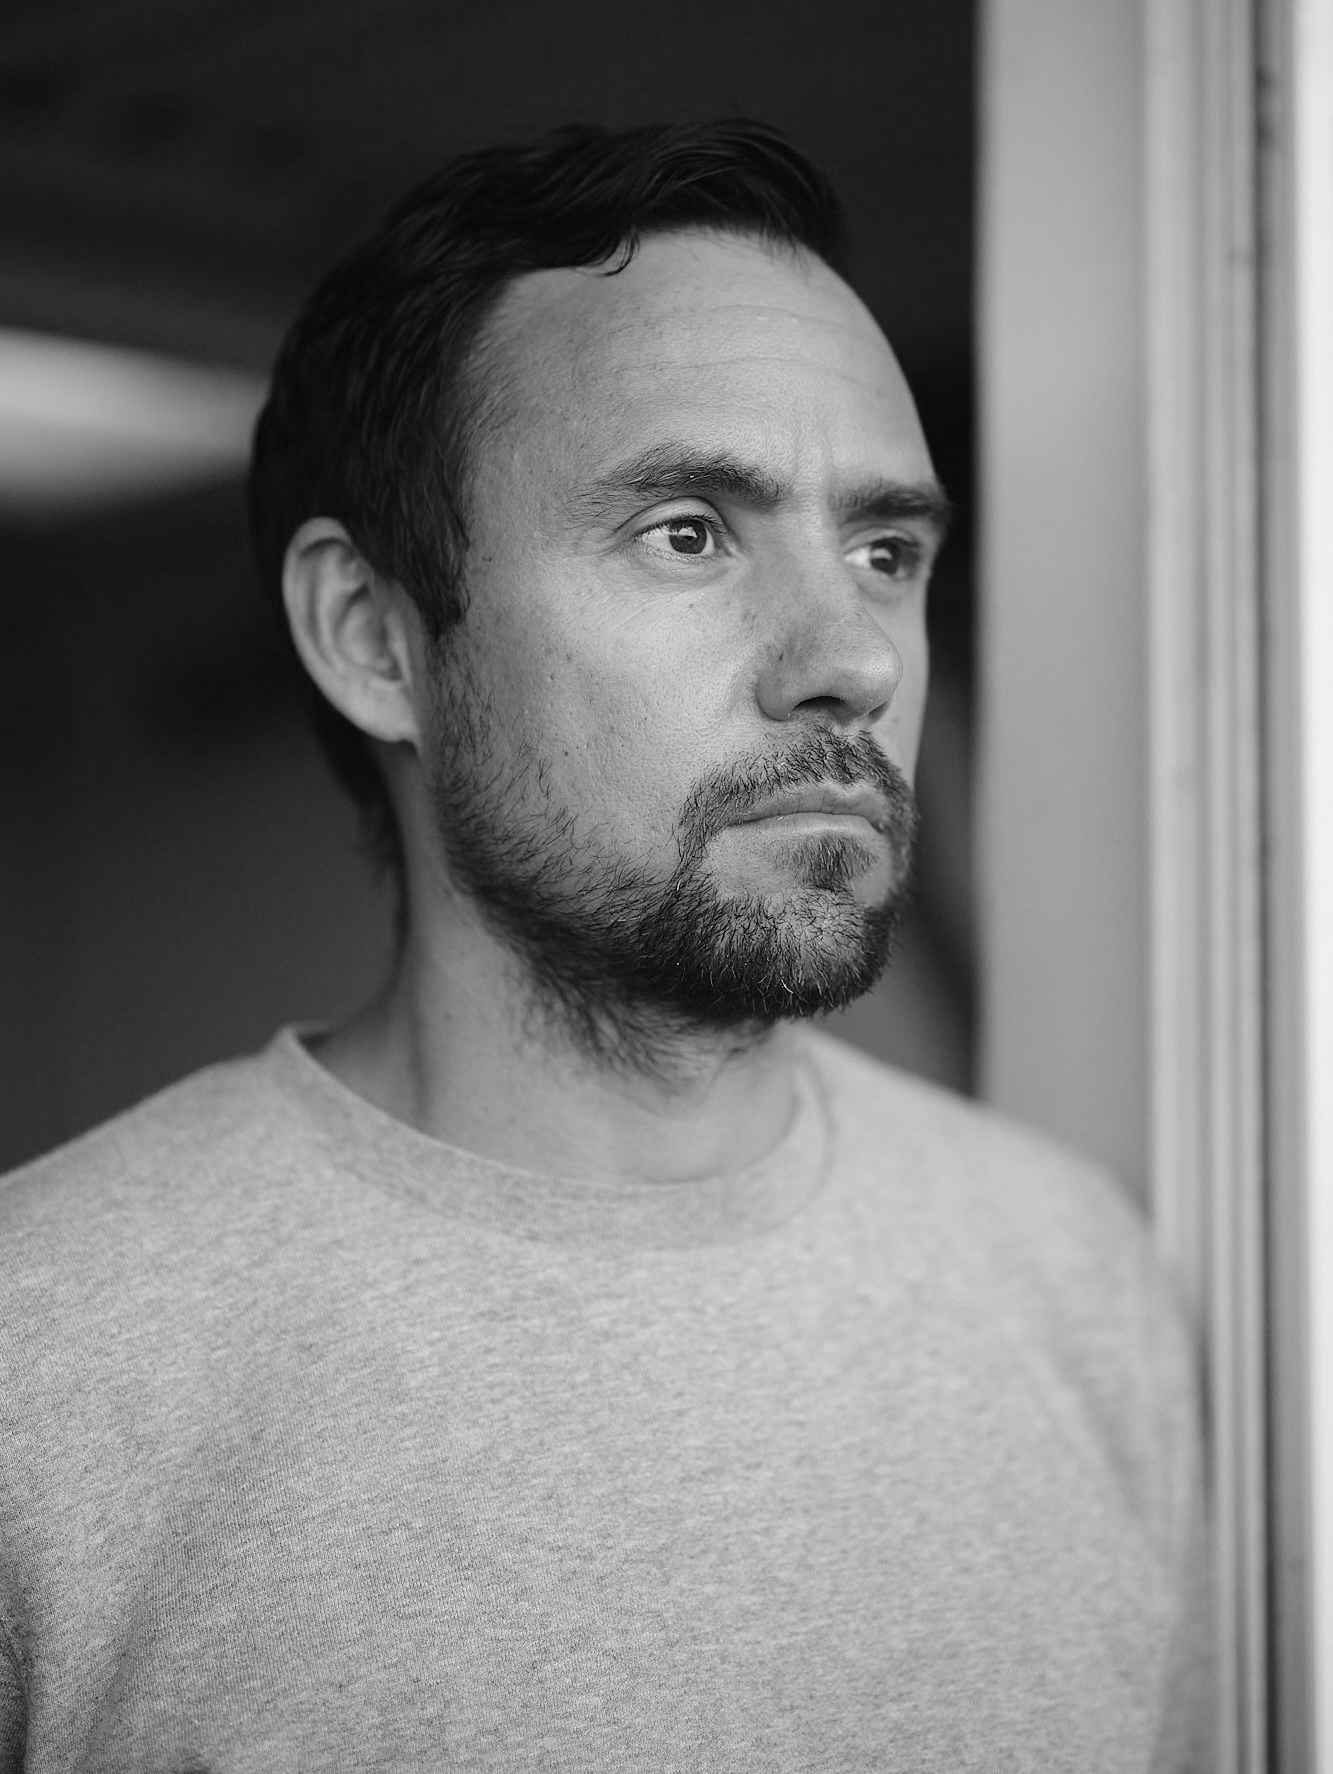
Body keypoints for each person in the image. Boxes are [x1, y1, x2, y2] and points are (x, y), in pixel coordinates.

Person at [0, 121, 1207, 1770]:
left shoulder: (1072, 1281)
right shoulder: (48, 1362)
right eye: (689, 533)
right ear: (373, 640)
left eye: (884, 551)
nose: (848, 658)